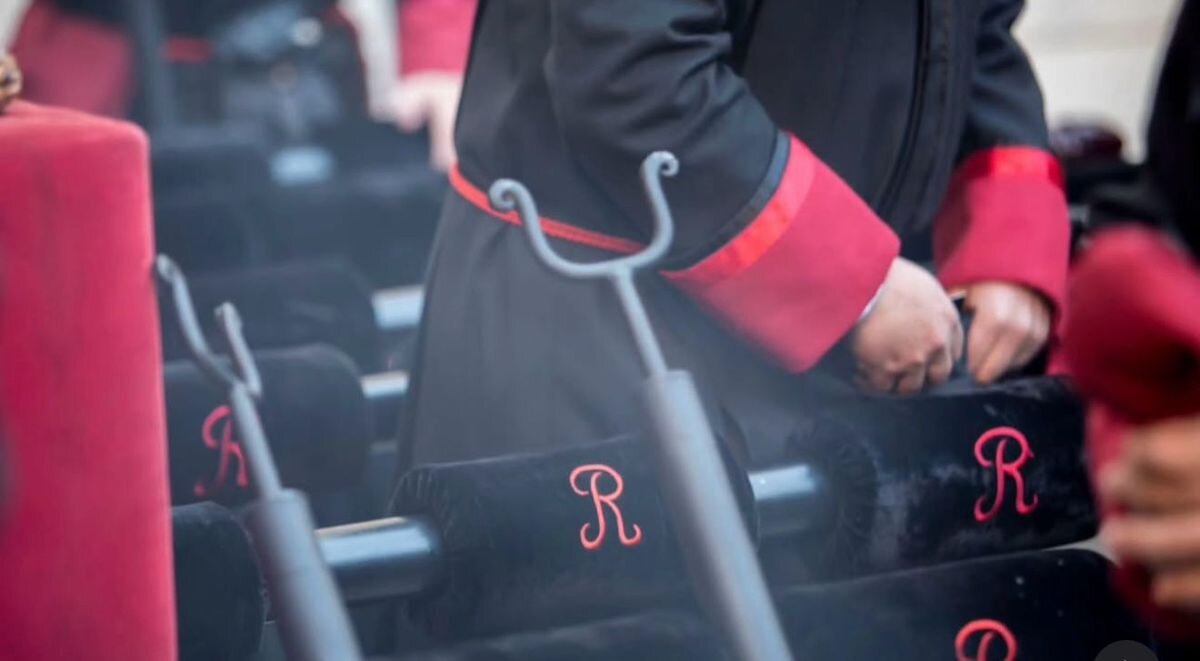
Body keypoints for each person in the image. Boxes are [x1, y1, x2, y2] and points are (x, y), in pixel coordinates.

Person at [399, 0, 1072, 468]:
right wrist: (853, 289)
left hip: (859, 331)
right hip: (602, 332)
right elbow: (634, 73)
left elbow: (971, 30)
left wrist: (1007, 231)